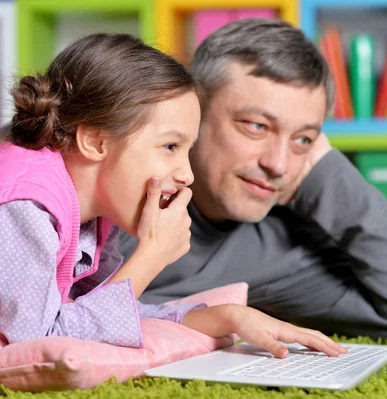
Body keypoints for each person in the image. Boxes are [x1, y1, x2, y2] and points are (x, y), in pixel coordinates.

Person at [0, 33, 347, 360]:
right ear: (94, 141)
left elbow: (99, 309)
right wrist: (151, 256)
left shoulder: (96, 213)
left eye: (187, 149)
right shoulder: (25, 208)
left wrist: (226, 318)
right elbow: (38, 345)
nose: (187, 174)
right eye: (170, 146)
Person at [120, 18, 387, 339]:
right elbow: (68, 316)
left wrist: (327, 173)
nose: (279, 165)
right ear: (194, 112)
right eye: (257, 126)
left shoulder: (282, 249)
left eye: (303, 140)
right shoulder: (117, 189)